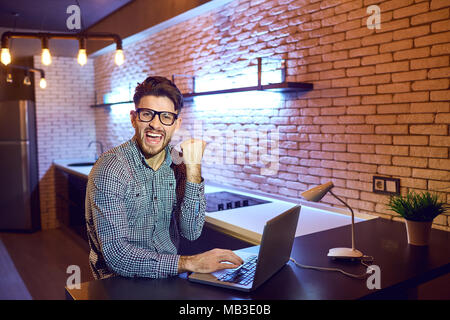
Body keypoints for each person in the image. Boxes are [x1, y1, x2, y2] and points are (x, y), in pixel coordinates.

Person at [85, 76, 243, 279]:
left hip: (168, 278)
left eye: (166, 116)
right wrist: (191, 262)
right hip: (119, 285)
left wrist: (193, 168)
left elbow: (191, 232)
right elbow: (117, 256)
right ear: (134, 118)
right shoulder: (111, 168)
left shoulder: (178, 164)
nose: (155, 124)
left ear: (176, 123)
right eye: (147, 114)